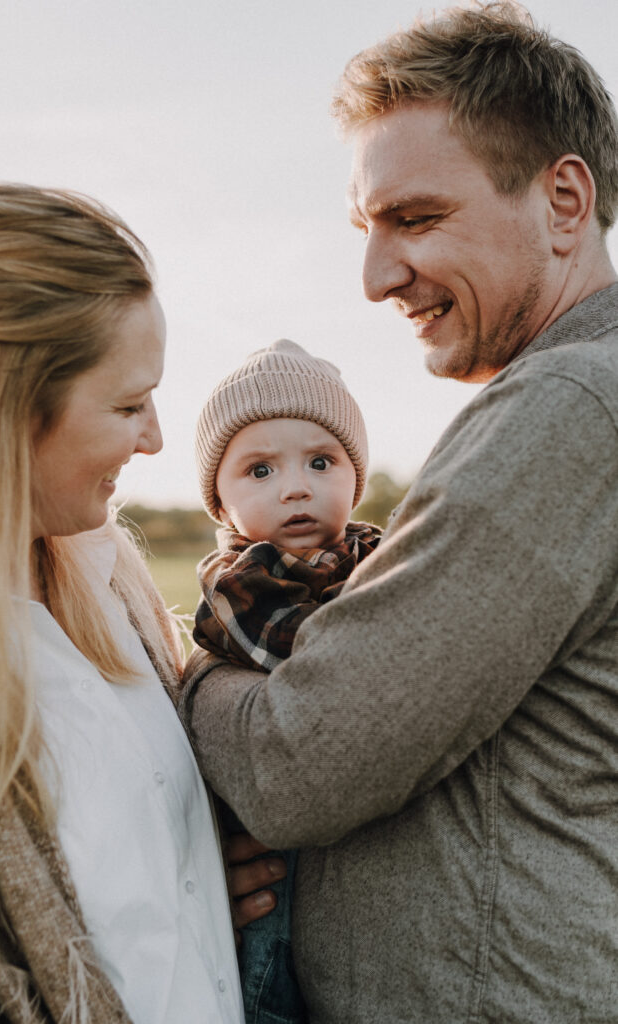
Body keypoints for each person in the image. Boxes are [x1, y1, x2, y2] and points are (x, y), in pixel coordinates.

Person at [180, 3, 618, 1022]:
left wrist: (187, 665)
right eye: (364, 229)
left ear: (561, 200)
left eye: (414, 219)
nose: (375, 276)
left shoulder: (568, 406)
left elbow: (301, 763)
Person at [0, 182, 278, 1023]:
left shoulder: (111, 584)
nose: (156, 437)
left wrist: (182, 882)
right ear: (4, 410)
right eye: (127, 404)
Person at [188, 338, 382, 1024]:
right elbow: (307, 664)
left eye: (320, 462)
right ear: (221, 503)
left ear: (353, 482)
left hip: (360, 842)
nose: (294, 486)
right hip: (272, 832)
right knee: (271, 967)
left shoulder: (377, 552)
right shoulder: (239, 579)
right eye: (260, 470)